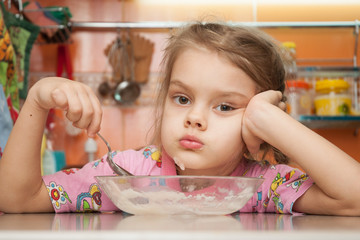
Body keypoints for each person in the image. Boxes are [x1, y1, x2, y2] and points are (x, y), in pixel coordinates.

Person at [1, 22, 360, 215]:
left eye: (225, 106)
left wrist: (273, 122)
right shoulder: (126, 178)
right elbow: (17, 200)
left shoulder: (262, 185)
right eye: (182, 98)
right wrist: (38, 97)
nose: (194, 118)